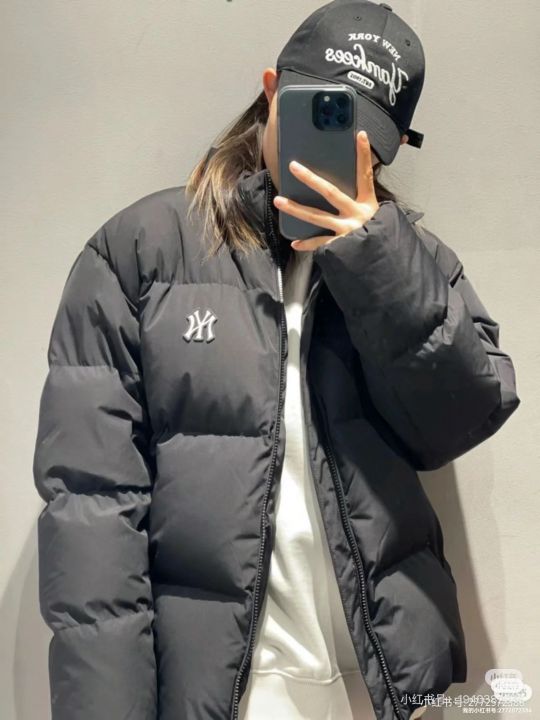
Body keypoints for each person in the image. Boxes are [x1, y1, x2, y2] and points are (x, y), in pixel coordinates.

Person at [32, 2, 520, 719]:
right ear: (272, 92)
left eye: (366, 136)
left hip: (383, 689)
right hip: (228, 695)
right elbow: (92, 508)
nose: (342, 147)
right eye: (324, 114)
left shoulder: (412, 261)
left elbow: (461, 418)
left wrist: (377, 259)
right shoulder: (140, 254)